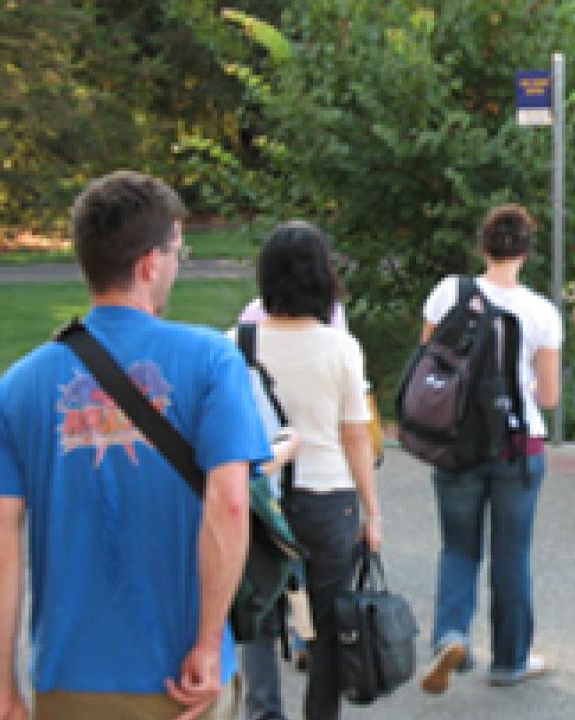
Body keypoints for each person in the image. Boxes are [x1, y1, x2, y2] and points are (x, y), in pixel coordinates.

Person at [0, 170, 269, 719]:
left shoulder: (19, 385)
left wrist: (3, 690)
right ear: (149, 264)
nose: (179, 264)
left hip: (68, 679)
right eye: (180, 250)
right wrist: (208, 643)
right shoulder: (211, 361)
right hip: (181, 678)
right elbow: (229, 505)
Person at [237, 221, 383, 720]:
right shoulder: (340, 347)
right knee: (327, 622)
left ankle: (263, 711)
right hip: (327, 495)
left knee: (256, 612)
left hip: (258, 499)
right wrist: (373, 510)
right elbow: (356, 434)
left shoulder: (236, 344)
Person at [418, 204, 562, 693]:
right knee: (511, 554)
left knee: (458, 548)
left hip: (457, 443)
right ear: (526, 252)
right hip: (517, 446)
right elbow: (549, 396)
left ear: (483, 247)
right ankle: (510, 660)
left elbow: (431, 366)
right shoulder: (541, 312)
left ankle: (451, 634)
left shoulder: (448, 294)